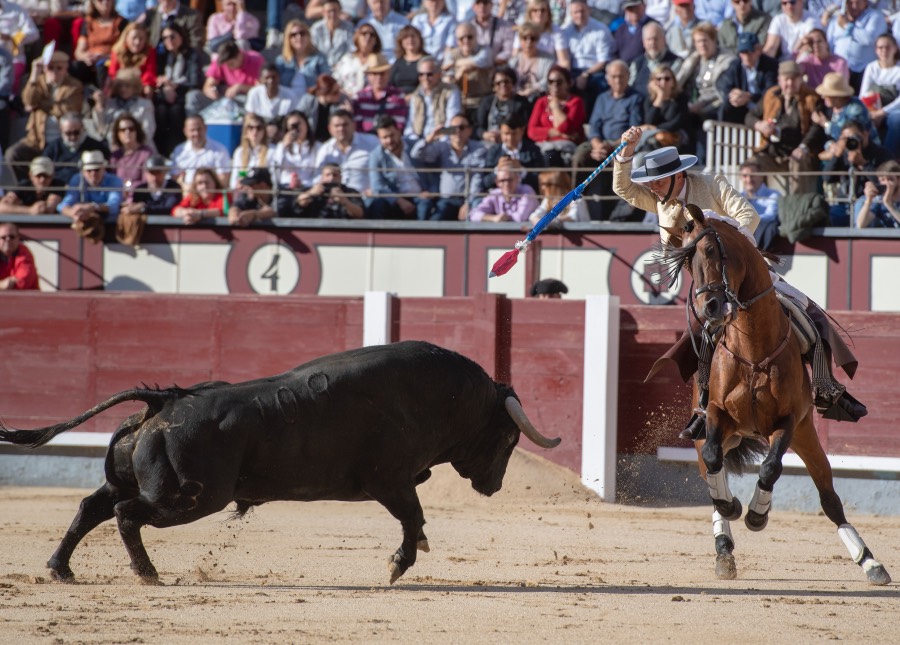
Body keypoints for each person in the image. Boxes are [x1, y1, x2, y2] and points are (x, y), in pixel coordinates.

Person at [617, 126, 866, 434]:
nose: (652, 186)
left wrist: (724, 231)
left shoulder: (711, 184)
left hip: (742, 269)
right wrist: (626, 152)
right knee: (699, 334)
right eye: (651, 181)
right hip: (708, 283)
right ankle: (703, 405)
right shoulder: (660, 201)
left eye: (657, 180)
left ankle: (826, 387)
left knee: (808, 312)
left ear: (678, 176)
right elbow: (624, 189)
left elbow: (749, 216)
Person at [572, 59, 643, 220]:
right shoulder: (602, 98)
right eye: (614, 76)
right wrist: (597, 145)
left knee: (620, 164)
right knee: (579, 155)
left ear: (628, 76)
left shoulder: (635, 98)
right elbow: (594, 126)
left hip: (622, 144)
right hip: (600, 143)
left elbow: (633, 128)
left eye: (621, 76)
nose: (617, 80)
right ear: (607, 78)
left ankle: (622, 211)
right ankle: (575, 199)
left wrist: (612, 146)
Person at [746, 60, 823, 196]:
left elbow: (817, 127)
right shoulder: (771, 95)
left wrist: (804, 147)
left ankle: (795, 208)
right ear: (779, 80)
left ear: (801, 79)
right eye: (786, 79)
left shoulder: (811, 97)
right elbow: (750, 117)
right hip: (772, 152)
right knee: (751, 166)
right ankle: (754, 202)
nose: (790, 83)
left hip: (799, 152)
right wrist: (761, 125)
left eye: (794, 79)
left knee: (798, 161)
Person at [6, 51, 83, 180]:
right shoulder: (39, 82)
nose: (54, 72)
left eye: (59, 68)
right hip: (36, 139)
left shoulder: (74, 85)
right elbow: (28, 100)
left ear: (66, 69)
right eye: (50, 68)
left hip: (61, 142)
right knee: (13, 154)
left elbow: (68, 110)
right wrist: (34, 75)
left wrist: (40, 104)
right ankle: (27, 188)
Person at [410, 111, 485, 220]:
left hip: (468, 200)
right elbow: (416, 154)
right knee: (435, 223)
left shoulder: (478, 149)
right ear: (448, 131)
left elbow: (477, 178)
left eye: (462, 127)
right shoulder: (442, 147)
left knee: (472, 222)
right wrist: (430, 138)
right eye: (453, 128)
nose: (458, 131)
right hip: (446, 200)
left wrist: (468, 202)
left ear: (469, 131)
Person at [822, 120, 893, 226]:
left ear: (865, 134)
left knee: (860, 208)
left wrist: (863, 164)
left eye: (854, 137)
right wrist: (837, 156)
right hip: (845, 203)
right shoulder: (844, 154)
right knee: (828, 215)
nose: (852, 141)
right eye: (846, 139)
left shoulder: (881, 154)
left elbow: (885, 183)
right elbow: (827, 178)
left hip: (869, 203)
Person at [153, 22, 204, 156]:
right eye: (165, 38)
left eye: (172, 36)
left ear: (181, 36)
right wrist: (164, 85)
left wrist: (173, 86)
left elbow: (194, 82)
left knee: (176, 112)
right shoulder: (162, 56)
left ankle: (176, 151)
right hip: (164, 95)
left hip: (183, 94)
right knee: (161, 111)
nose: (169, 41)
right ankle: (161, 152)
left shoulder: (191, 54)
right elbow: (156, 77)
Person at [368, 114, 431, 219]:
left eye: (392, 135)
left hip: (420, 195)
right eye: (384, 137)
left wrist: (430, 191)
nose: (389, 141)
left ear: (399, 132)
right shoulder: (376, 155)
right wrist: (398, 200)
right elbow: (377, 186)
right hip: (395, 198)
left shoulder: (415, 146)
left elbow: (433, 170)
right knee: (377, 204)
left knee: (426, 205)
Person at [526, 65, 585, 166]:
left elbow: (565, 128)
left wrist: (555, 107)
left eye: (559, 82)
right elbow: (531, 131)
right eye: (551, 81)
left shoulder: (575, 102)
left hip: (565, 148)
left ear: (568, 83)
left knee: (550, 156)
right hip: (543, 145)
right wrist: (558, 133)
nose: (555, 85)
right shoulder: (541, 102)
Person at [716, 32, 779, 125]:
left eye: (749, 52)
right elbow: (723, 83)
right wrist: (734, 95)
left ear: (758, 50)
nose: (746, 57)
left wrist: (750, 96)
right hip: (741, 107)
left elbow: (771, 90)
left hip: (762, 107)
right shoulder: (735, 65)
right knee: (725, 107)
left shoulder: (770, 66)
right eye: (743, 53)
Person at [823, 0, 887, 91]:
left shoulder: (875, 16)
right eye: (850, 2)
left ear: (865, 2)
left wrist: (847, 26)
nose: (854, 6)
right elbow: (830, 43)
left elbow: (870, 39)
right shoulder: (837, 19)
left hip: (863, 70)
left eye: (858, 2)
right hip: (839, 70)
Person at [190, 40, 265, 115]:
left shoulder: (256, 60)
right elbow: (208, 84)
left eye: (231, 63)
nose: (228, 67)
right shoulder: (221, 62)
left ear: (239, 55)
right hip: (224, 96)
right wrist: (210, 90)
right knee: (194, 96)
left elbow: (262, 89)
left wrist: (240, 87)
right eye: (226, 65)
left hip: (246, 98)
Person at [314, 108, 379, 193]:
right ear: (330, 129)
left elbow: (384, 170)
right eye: (337, 126)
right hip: (334, 199)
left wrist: (374, 189)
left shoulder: (372, 142)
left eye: (345, 125)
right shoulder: (325, 150)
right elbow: (317, 177)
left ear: (354, 125)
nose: (341, 129)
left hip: (366, 197)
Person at [87, 69, 156, 149]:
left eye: (127, 86)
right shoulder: (109, 103)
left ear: (135, 87)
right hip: (113, 147)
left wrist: (131, 144)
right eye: (120, 86)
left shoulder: (145, 104)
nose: (123, 89)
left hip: (140, 148)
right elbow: (100, 128)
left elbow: (148, 131)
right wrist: (99, 105)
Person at [403, 55, 462, 143]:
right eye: (421, 74)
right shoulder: (416, 96)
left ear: (439, 74)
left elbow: (452, 124)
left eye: (429, 74)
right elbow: (410, 126)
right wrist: (417, 142)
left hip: (442, 142)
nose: (425, 78)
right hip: (419, 141)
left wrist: (437, 138)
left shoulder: (450, 91)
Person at [58, 149, 124, 226]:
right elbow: (63, 205)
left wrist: (93, 207)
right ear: (82, 171)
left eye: (97, 170)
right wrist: (74, 213)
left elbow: (114, 206)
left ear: (103, 169)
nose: (93, 174)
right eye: (89, 170)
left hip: (110, 224)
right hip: (83, 221)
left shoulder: (114, 180)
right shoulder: (77, 179)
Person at [482, 111, 543, 192]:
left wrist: (521, 170)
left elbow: (540, 181)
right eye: (506, 134)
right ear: (500, 132)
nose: (510, 138)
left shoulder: (533, 150)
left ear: (522, 130)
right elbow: (485, 183)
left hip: (526, 195)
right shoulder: (494, 151)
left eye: (514, 134)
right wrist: (497, 170)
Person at [859, 33, 900, 154]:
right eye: (880, 47)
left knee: (896, 120)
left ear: (895, 48)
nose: (884, 51)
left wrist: (883, 112)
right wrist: (873, 113)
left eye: (888, 47)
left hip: (892, 110)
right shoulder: (871, 68)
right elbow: (863, 94)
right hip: (872, 109)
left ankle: (888, 155)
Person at [71, 0, 126, 88]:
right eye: (100, 0)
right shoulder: (88, 22)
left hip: (111, 60)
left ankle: (103, 97)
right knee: (76, 67)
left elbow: (124, 49)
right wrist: (85, 57)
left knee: (101, 66)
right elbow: (79, 51)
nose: (105, 3)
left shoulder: (121, 22)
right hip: (91, 61)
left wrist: (105, 56)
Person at [43, 112, 110, 185]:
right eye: (68, 133)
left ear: (82, 128)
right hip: (60, 189)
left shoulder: (96, 147)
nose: (73, 137)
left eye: (76, 132)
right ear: (61, 130)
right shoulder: (53, 148)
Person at [170, 115, 232, 188]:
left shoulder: (219, 150)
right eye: (192, 130)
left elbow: (224, 179)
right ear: (185, 131)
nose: (196, 133)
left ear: (205, 128)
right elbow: (175, 178)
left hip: (211, 194)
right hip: (186, 194)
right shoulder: (179, 151)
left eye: (199, 129)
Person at [353, 53, 408, 133]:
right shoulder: (359, 97)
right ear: (368, 76)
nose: (379, 77)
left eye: (382, 73)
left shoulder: (398, 96)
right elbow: (357, 125)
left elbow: (399, 126)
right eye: (375, 74)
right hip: (365, 140)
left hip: (389, 140)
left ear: (388, 74)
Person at [469, 159, 539, 222]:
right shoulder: (495, 194)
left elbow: (520, 218)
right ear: (497, 182)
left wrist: (503, 218)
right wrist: (493, 218)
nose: (506, 184)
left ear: (517, 179)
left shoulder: (527, 191)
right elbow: (473, 214)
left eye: (510, 180)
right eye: (502, 180)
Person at [276, 19, 331, 97]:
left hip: (311, 101)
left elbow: (327, 81)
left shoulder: (319, 58)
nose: (299, 37)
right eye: (294, 35)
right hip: (287, 101)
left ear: (308, 36)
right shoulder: (281, 61)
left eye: (302, 33)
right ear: (288, 39)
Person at [475, 67, 530, 144]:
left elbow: (525, 127)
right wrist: (484, 134)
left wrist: (506, 135)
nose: (503, 85)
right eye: (498, 83)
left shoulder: (521, 102)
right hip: (489, 142)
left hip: (513, 142)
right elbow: (477, 126)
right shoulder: (487, 102)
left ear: (513, 83)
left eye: (506, 81)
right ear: (493, 86)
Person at [290, 162, 364, 218]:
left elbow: (360, 214)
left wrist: (344, 200)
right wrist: (311, 193)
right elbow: (298, 205)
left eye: (335, 175)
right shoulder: (313, 189)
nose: (331, 178)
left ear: (341, 177)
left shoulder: (350, 192)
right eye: (328, 175)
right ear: (322, 177)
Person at [629, 20, 682, 100]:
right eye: (649, 39)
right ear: (643, 42)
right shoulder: (636, 64)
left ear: (664, 40)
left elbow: (674, 88)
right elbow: (629, 87)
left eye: (656, 39)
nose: (652, 43)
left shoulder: (676, 62)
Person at [507, 21, 555, 105]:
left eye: (532, 38)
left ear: (538, 40)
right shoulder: (513, 61)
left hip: (540, 100)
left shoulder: (548, 60)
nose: (528, 42)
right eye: (525, 38)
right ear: (520, 39)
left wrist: (532, 89)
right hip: (517, 101)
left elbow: (548, 81)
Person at [738, 159, 782, 250]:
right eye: (745, 176)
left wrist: (747, 220)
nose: (749, 180)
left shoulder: (773, 195)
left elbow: (770, 216)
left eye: (752, 175)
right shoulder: (738, 197)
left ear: (761, 177)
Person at [332, 23, 384, 99]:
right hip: (347, 99)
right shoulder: (347, 59)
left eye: (372, 34)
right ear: (357, 37)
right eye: (364, 33)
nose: (368, 36)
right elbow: (335, 80)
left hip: (371, 102)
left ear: (376, 40)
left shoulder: (380, 60)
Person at [271, 111, 320, 190]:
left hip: (309, 188)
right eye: (292, 126)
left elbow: (319, 173)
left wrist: (304, 183)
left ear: (306, 124)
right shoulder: (281, 146)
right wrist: (283, 147)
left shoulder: (317, 147)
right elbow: (274, 170)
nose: (296, 129)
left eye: (298, 124)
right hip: (286, 187)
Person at [298, 74, 354, 143]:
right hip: (311, 142)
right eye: (335, 93)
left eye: (338, 90)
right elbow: (298, 118)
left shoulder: (342, 101)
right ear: (324, 93)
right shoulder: (308, 101)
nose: (338, 94)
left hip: (332, 142)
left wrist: (348, 114)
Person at [0, 156, 65, 215]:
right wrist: (29, 210)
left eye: (46, 176)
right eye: (38, 175)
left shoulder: (58, 185)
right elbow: (2, 207)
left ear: (52, 175)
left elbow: (49, 207)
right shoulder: (24, 186)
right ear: (31, 175)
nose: (42, 180)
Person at [107, 22, 157, 98]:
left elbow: (149, 72)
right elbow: (113, 72)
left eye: (141, 39)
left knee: (148, 89)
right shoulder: (117, 51)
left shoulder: (149, 51)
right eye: (134, 38)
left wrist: (146, 85)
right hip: (121, 84)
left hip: (139, 85)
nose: (137, 42)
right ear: (126, 38)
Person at [512, 0, 567, 67]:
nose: (539, 13)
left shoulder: (556, 31)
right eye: (535, 10)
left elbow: (563, 60)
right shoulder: (522, 30)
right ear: (530, 13)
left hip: (549, 68)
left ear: (548, 13)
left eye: (543, 10)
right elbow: (515, 56)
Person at [229, 112, 275, 190]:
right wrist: (239, 183)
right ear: (245, 132)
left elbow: (274, 178)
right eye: (251, 128)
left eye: (259, 128)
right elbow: (233, 181)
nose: (255, 131)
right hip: (244, 192)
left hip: (263, 192)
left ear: (264, 131)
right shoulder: (239, 152)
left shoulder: (272, 151)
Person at [139, 0, 204, 51]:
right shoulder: (151, 14)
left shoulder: (191, 16)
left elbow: (196, 44)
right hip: (155, 58)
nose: (166, 2)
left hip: (181, 58)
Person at [109, 113, 154, 186]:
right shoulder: (115, 156)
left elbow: (146, 183)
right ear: (118, 134)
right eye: (123, 130)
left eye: (131, 129)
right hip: (119, 195)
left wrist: (127, 186)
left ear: (137, 131)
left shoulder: (146, 153)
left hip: (138, 195)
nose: (127, 132)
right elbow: (112, 181)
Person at [359, 0, 409, 64]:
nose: (379, 6)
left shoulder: (403, 22)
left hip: (398, 62)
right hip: (372, 64)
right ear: (369, 4)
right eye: (375, 2)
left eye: (382, 2)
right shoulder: (363, 24)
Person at [855, 159, 900, 229]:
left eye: (890, 179)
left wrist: (889, 205)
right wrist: (869, 200)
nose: (886, 183)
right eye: (882, 180)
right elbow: (860, 224)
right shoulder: (879, 201)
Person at [311, 0, 355, 70]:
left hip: (343, 68)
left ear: (340, 11)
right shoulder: (316, 29)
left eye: (335, 10)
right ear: (323, 13)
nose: (332, 14)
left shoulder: (349, 27)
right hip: (320, 68)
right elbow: (313, 51)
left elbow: (352, 50)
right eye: (329, 11)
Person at [410, 0, 455, 64]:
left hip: (441, 63)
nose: (434, 3)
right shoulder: (417, 20)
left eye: (438, 1)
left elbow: (450, 46)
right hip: (420, 62)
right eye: (431, 1)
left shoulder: (450, 21)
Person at [471, 0, 514, 67]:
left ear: (491, 5)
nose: (482, 6)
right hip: (472, 67)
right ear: (473, 7)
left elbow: (508, 51)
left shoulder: (505, 26)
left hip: (496, 67)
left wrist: (490, 61)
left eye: (485, 3)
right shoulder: (468, 27)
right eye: (478, 3)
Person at [611, 0, 654, 65]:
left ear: (644, 6)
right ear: (625, 11)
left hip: (645, 67)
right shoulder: (621, 30)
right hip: (624, 69)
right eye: (630, 8)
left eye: (636, 7)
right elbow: (614, 54)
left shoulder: (653, 26)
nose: (634, 11)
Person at [389, 25, 427, 95]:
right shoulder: (398, 62)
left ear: (420, 39)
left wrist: (412, 97)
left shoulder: (426, 60)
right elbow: (390, 83)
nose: (410, 40)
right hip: (398, 99)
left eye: (413, 36)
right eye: (406, 37)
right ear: (401, 41)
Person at [0, 222, 39, 290]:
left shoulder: (25, 254)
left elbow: (22, 284)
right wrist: (1, 284)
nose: (8, 240)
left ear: (18, 238)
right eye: (3, 237)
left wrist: (8, 285)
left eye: (12, 237)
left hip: (26, 299)